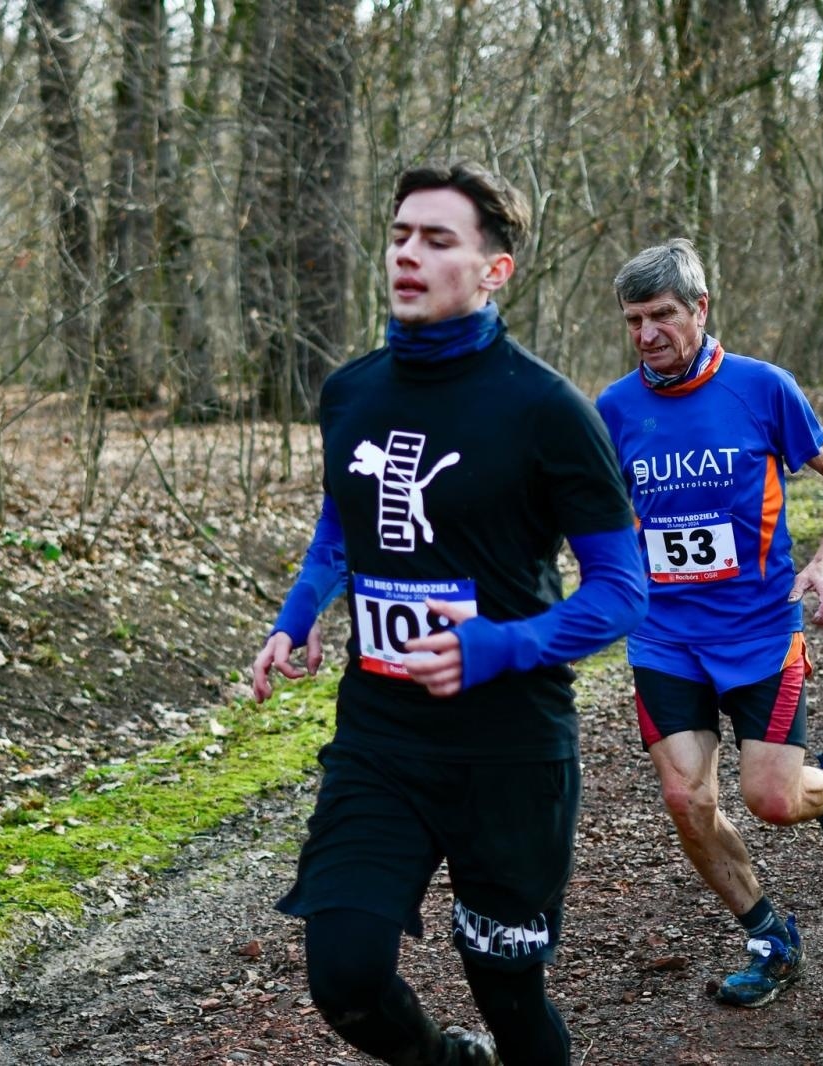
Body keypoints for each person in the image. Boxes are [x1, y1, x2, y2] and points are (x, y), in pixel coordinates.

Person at [251, 162, 647, 1066]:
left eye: (437, 240)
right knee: (345, 977)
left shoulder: (549, 412)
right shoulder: (351, 393)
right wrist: (301, 612)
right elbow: (340, 527)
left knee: (508, 995)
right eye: (399, 237)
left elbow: (624, 591)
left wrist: (498, 647)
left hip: (508, 748)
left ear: (494, 269)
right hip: (381, 737)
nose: (408, 256)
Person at [595, 238, 823, 1008]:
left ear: (700, 308)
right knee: (687, 800)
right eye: (634, 320)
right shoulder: (615, 409)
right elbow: (595, 514)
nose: (649, 333)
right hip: (665, 638)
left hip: (759, 631)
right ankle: (768, 937)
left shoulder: (762, 388)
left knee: (774, 801)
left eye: (662, 315)